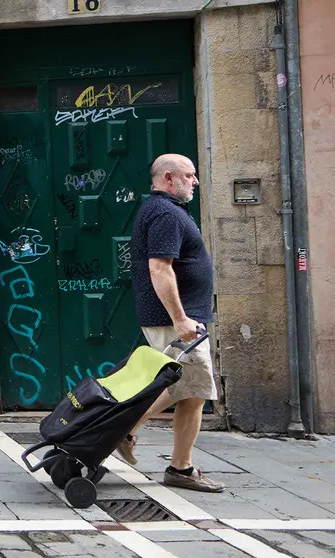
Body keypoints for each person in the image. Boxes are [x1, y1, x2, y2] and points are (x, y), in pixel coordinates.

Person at [116, 153, 225, 493]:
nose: (195, 181)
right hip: (175, 320)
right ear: (168, 178)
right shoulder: (165, 213)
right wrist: (180, 319)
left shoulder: (167, 210)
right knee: (190, 387)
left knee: (190, 391)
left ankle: (178, 465)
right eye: (189, 175)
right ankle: (125, 430)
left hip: (180, 319)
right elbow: (159, 269)